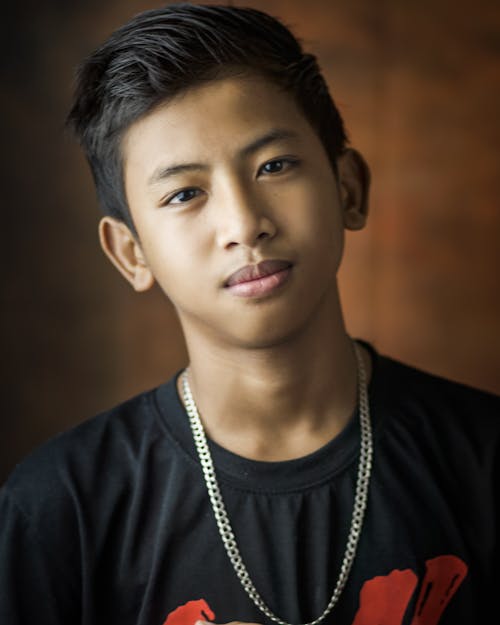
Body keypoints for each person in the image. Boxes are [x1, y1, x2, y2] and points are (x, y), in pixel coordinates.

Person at [0, 4, 498, 625]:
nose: (243, 224)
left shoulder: (481, 463)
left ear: (348, 188)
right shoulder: (61, 505)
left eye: (274, 166)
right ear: (131, 252)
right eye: (185, 193)